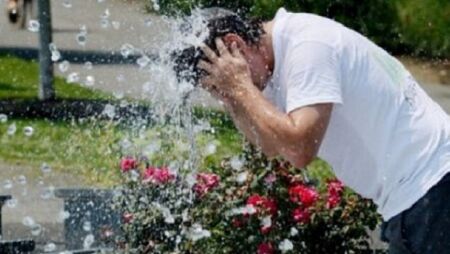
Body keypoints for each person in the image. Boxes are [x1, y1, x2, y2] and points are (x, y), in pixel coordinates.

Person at [179, 7, 450, 254]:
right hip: (418, 193)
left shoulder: (307, 48)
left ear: (234, 45)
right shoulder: (269, 64)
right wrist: (237, 96)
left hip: (431, 185)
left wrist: (239, 86)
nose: (221, 97)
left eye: (218, 88)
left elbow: (299, 149)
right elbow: (271, 146)